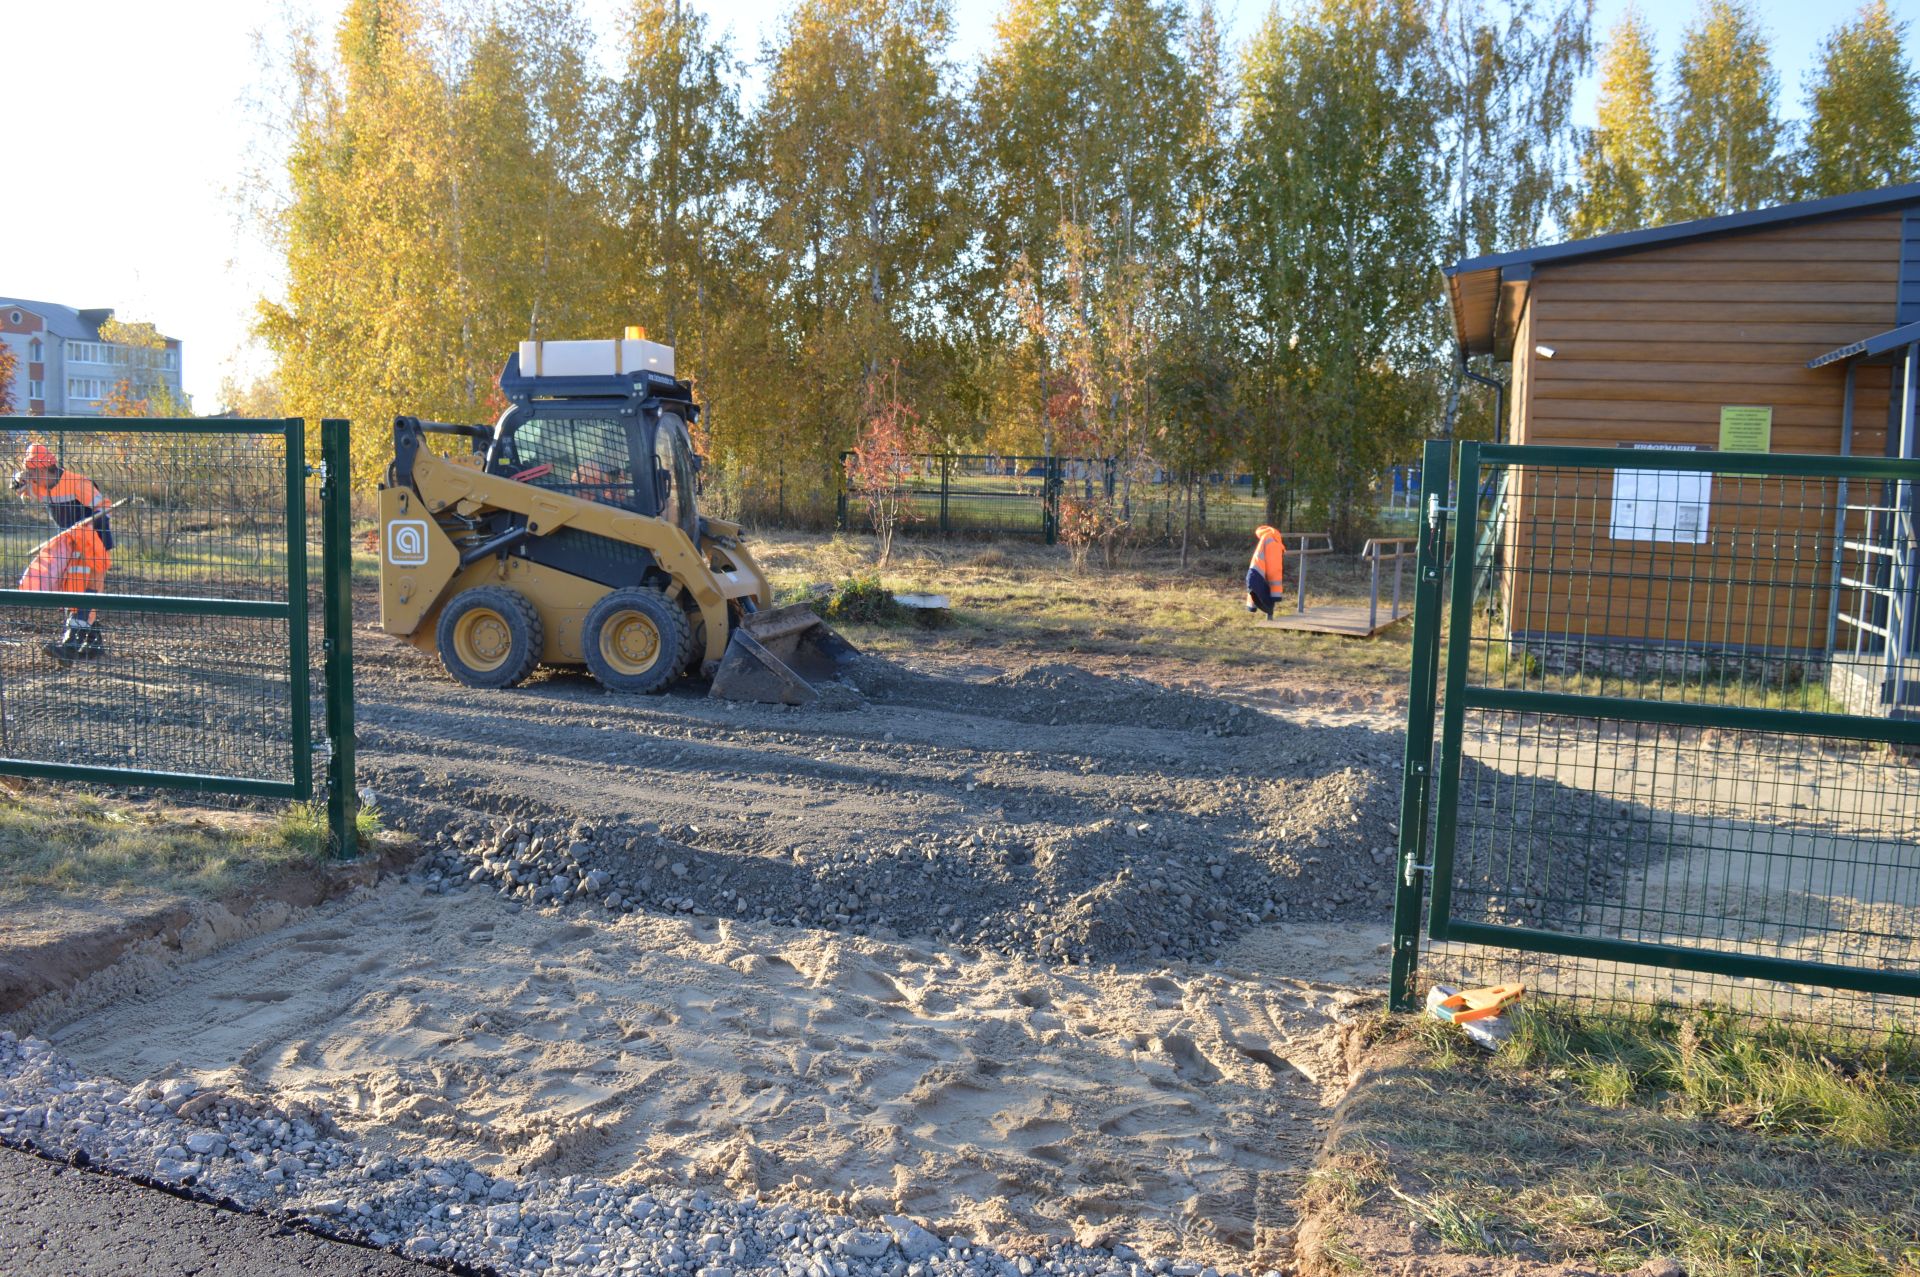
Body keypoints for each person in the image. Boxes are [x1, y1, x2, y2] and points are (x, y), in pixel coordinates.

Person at [13, 443, 114, 661]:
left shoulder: (78, 483)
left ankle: (70, 646)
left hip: (93, 545)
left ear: (41, 471)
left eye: (32, 474)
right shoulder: (43, 485)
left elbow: (104, 508)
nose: (30, 479)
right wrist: (17, 480)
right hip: (71, 544)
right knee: (72, 590)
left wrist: (90, 532)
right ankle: (94, 644)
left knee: (84, 593)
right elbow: (22, 488)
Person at [1245, 523, 1285, 619]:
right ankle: (1268, 610)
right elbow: (1274, 568)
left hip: (1255, 572)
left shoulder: (1265, 537)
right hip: (1260, 574)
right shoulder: (1273, 542)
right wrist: (1276, 594)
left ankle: (1266, 609)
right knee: (1266, 600)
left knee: (1255, 590)